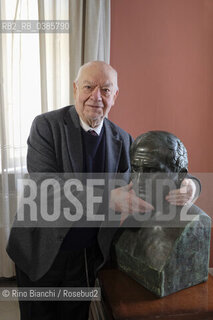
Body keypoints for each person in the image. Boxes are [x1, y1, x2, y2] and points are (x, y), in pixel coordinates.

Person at [6, 61, 198, 320]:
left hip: (86, 257)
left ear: (115, 96)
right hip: (41, 251)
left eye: (105, 90)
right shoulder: (46, 127)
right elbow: (46, 190)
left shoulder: (124, 140)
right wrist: (107, 198)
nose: (96, 96)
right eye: (88, 86)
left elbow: (148, 183)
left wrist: (188, 185)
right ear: (75, 88)